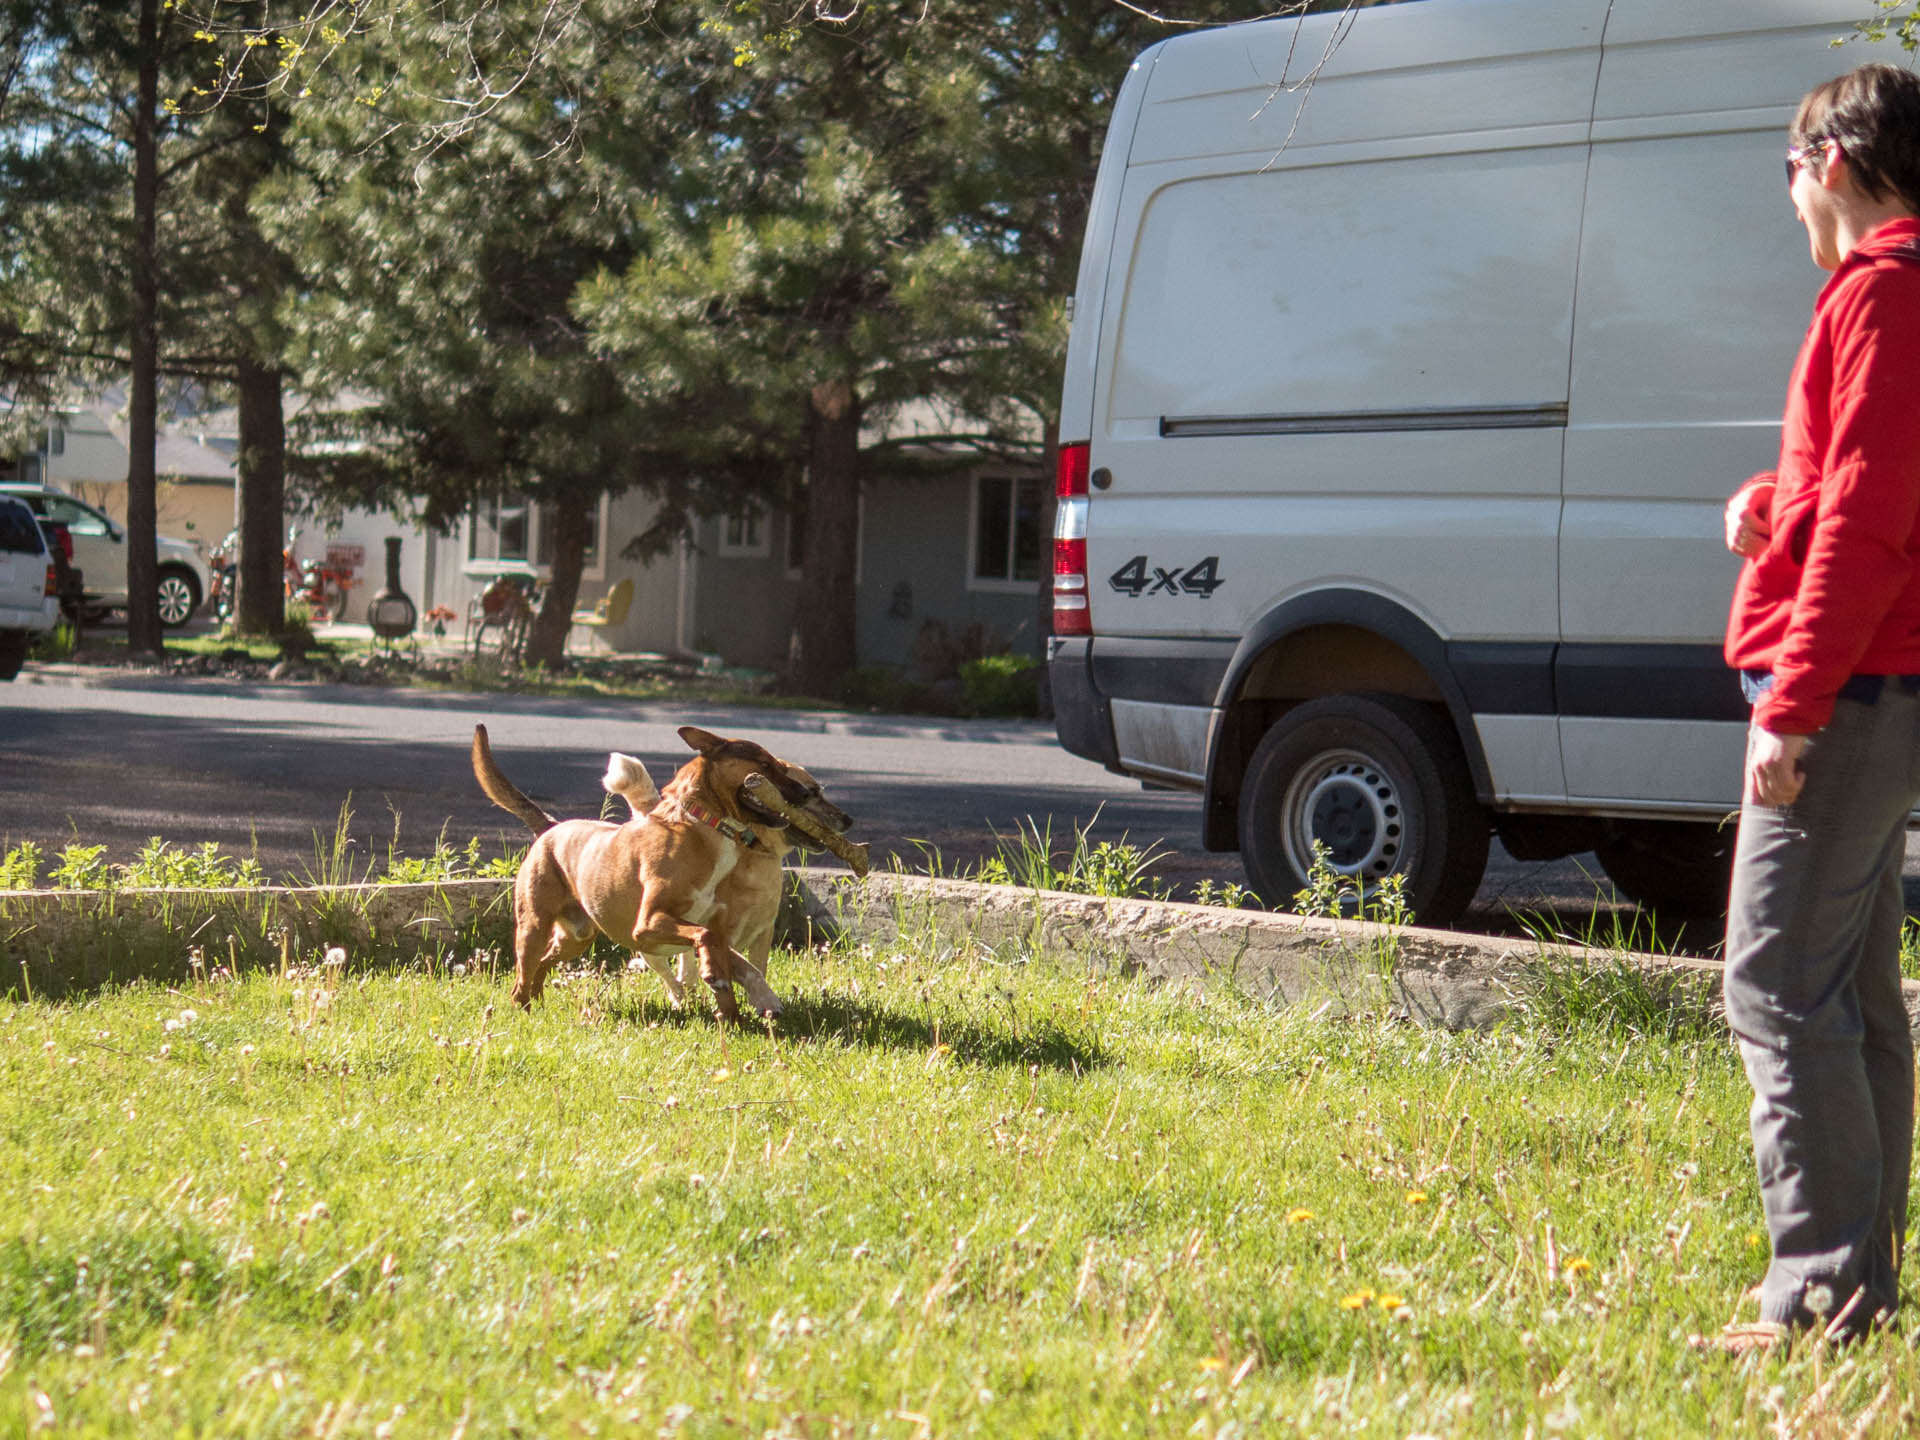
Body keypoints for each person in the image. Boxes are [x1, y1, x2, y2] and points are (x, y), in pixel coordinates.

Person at [1705, 62, 1920, 1354]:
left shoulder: (1886, 292)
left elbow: (1874, 518)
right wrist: (1769, 504)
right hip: (1883, 678)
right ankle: (1862, 1291)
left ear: (1828, 161)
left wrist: (1794, 704)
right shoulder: (1893, 296)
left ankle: (1821, 1297)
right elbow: (1858, 486)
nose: (1788, 200)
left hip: (1852, 690)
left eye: (1788, 175)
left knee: (1775, 984)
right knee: (1855, 995)